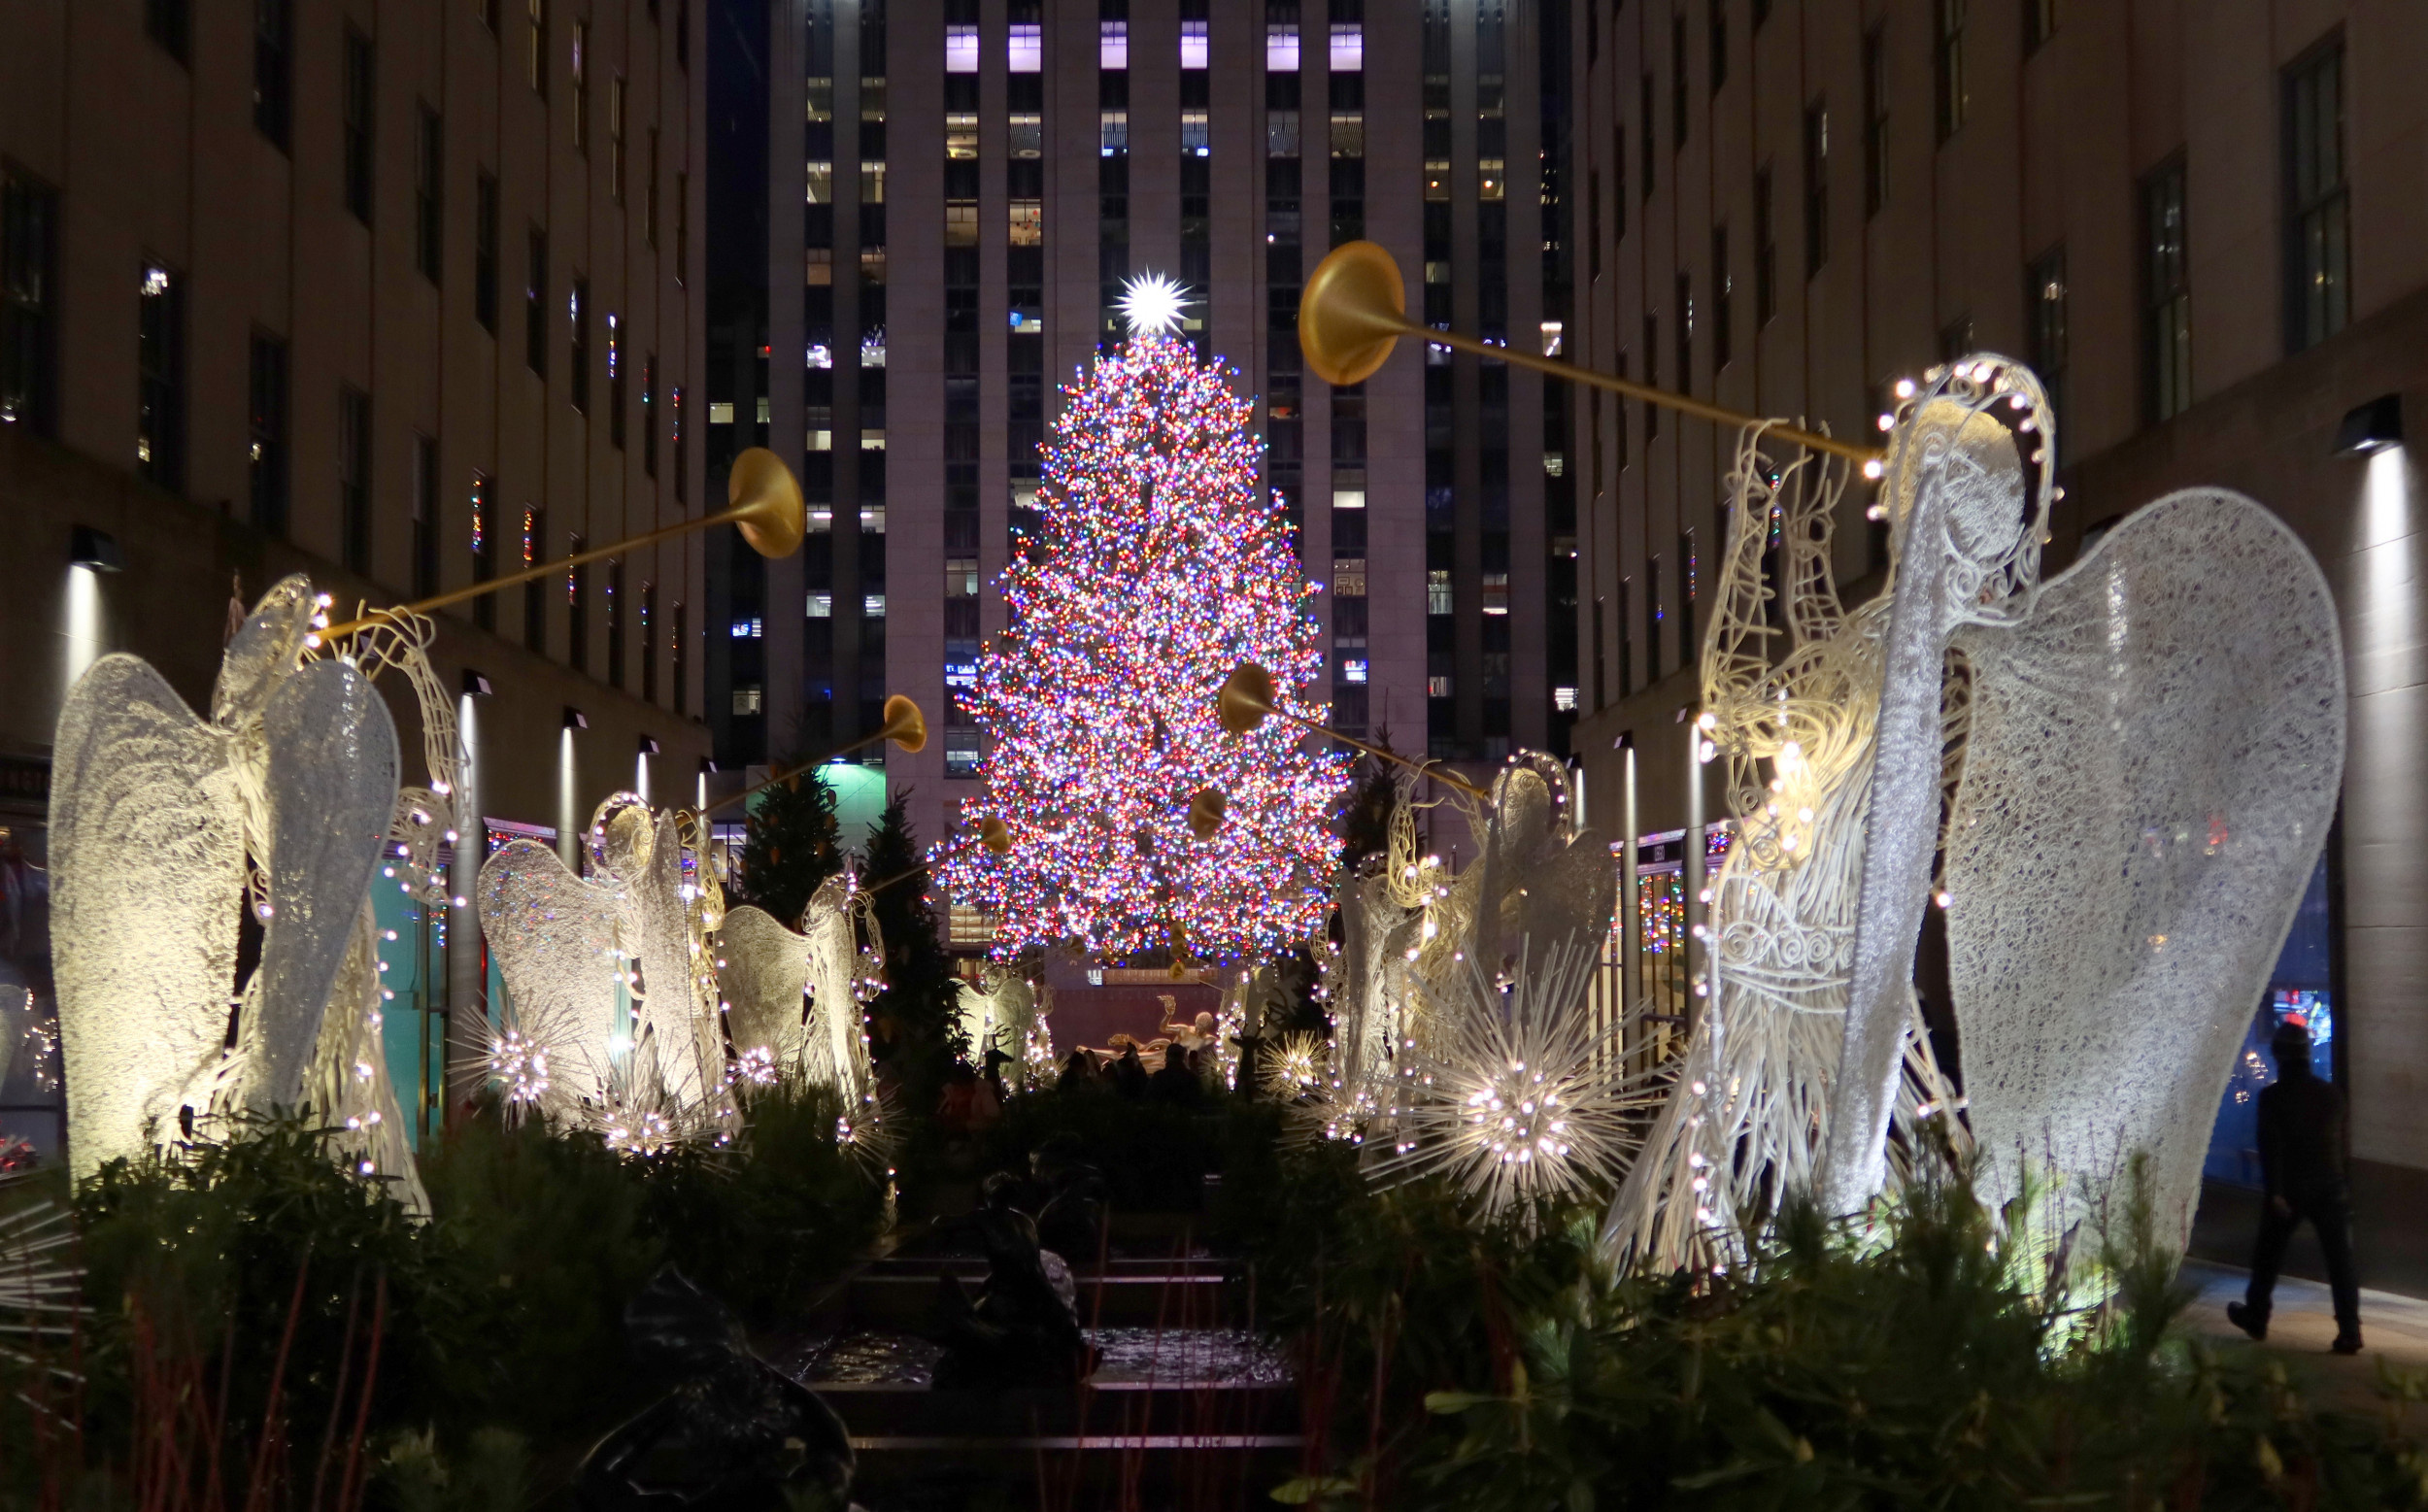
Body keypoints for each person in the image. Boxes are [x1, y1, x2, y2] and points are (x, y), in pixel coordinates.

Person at [2227, 1019, 2361, 1354]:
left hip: (2291, 1190)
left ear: (2278, 1056)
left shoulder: (2273, 1098)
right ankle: (2349, 1332)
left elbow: (2271, 1147)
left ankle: (2256, 1317)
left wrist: (2275, 1192)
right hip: (2332, 1188)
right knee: (2341, 1264)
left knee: (2267, 1257)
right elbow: (2343, 1147)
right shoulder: (2332, 1095)